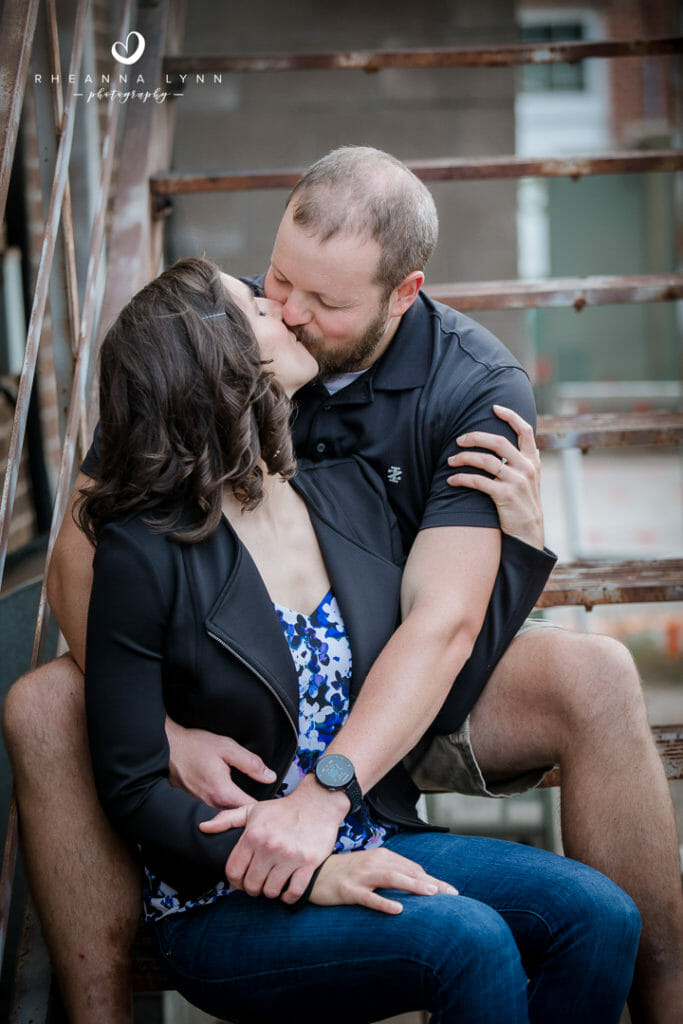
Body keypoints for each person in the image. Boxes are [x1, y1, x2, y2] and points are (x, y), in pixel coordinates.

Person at [2, 146, 680, 1022]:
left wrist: (325, 796)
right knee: (43, 701)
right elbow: (80, 555)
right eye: (278, 281)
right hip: (233, 696)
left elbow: (441, 625)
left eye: (322, 303)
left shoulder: (465, 390)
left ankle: (666, 993)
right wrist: (155, 730)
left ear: (403, 293)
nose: (289, 311)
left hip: (400, 678)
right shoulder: (209, 339)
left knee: (596, 691)